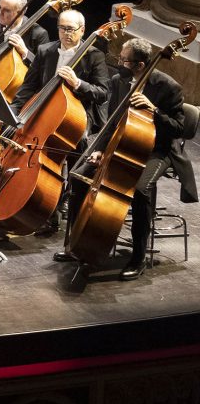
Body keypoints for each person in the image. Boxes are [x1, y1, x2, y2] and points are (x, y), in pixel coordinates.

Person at [62, 36, 187, 280]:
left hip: (157, 149)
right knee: (79, 176)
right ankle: (76, 244)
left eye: (124, 60)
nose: (119, 63)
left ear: (140, 65)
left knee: (140, 190)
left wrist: (154, 111)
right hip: (122, 144)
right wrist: (99, 149)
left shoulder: (168, 86)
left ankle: (138, 257)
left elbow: (179, 129)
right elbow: (112, 122)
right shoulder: (120, 81)